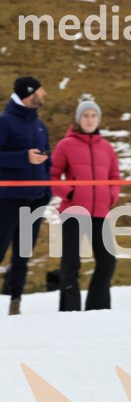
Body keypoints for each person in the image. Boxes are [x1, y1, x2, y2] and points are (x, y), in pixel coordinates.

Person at [51, 95, 120, 311]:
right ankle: (69, 310)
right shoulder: (66, 145)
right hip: (73, 211)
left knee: (107, 261)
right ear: (78, 119)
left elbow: (115, 176)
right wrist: (70, 193)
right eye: (85, 116)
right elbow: (51, 176)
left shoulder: (107, 148)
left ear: (98, 119)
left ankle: (97, 309)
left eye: (93, 116)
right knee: (71, 264)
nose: (90, 120)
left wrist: (110, 196)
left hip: (100, 211)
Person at [0, 77, 51, 316]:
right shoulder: (5, 122)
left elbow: (46, 163)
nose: (45, 94)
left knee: (22, 255)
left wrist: (46, 192)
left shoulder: (40, 126)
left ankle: (15, 303)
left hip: (35, 200)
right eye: (41, 91)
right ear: (29, 94)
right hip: (8, 199)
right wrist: (23, 157)